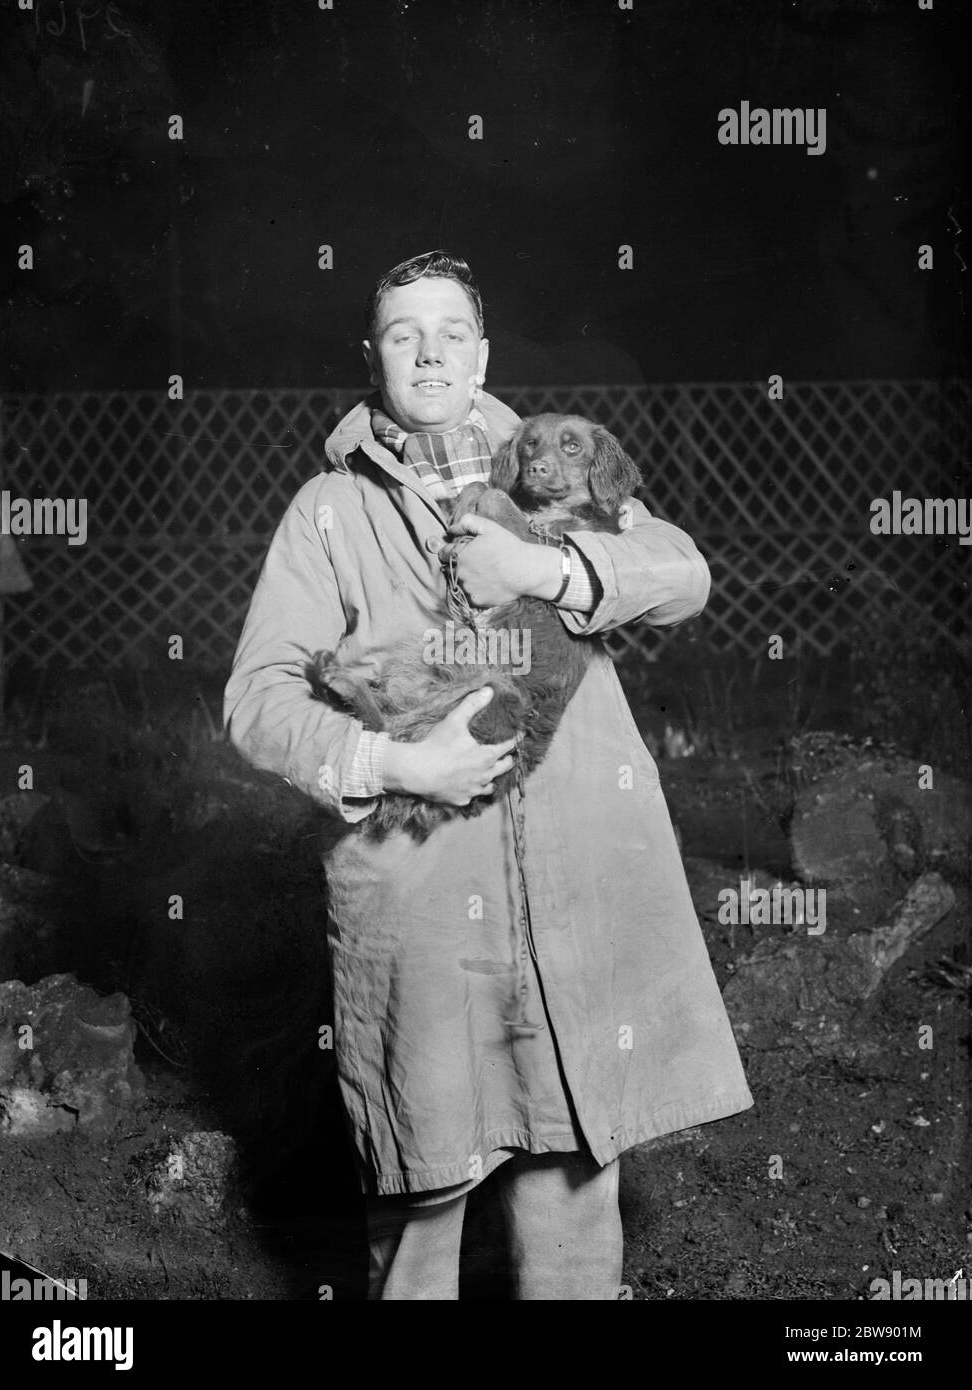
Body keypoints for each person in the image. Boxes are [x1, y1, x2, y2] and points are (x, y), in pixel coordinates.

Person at [224, 250, 753, 1300]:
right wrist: (393, 759)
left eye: (451, 332)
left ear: (483, 354)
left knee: (572, 1182)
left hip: (573, 884)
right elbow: (255, 701)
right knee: (424, 1191)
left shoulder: (561, 469)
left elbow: (683, 575)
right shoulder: (331, 513)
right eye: (402, 333)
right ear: (371, 358)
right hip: (421, 899)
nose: (429, 352)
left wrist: (546, 571)